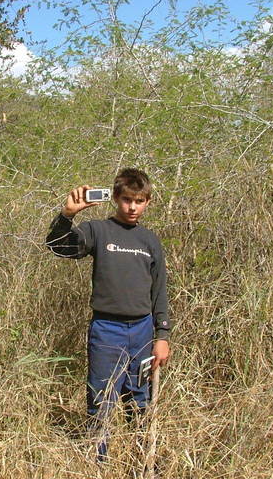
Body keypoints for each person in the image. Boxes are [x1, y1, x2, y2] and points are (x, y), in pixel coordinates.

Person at [45, 168, 170, 461]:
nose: (132, 207)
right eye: (127, 200)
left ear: (148, 202)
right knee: (101, 400)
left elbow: (160, 293)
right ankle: (98, 463)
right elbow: (58, 247)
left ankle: (142, 461)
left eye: (139, 201)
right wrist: (66, 215)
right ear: (115, 198)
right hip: (106, 330)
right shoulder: (97, 231)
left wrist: (162, 336)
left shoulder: (150, 241)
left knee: (140, 400)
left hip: (141, 331)